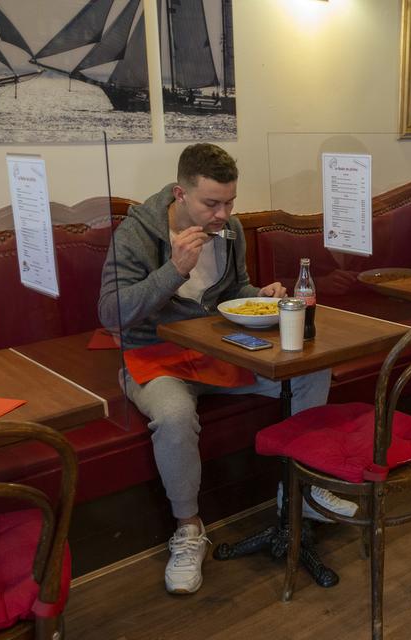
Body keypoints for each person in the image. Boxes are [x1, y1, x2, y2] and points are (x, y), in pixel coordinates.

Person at [99, 143, 355, 595]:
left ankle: (301, 493)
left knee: (313, 370)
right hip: (154, 356)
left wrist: (265, 292)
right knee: (175, 416)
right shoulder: (135, 234)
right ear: (180, 194)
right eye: (211, 204)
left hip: (219, 350)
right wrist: (174, 269)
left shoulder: (230, 229)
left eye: (230, 202)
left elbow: (234, 290)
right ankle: (189, 528)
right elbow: (112, 314)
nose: (223, 214)